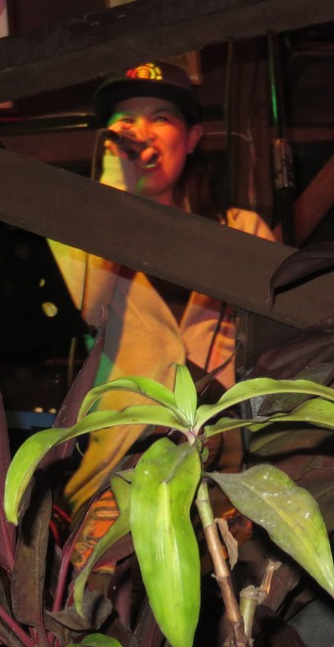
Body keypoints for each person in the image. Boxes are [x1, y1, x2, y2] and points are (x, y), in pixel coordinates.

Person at [48, 61, 276, 549]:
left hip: (225, 481)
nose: (142, 133)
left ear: (191, 138)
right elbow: (90, 308)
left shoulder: (241, 231)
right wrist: (115, 190)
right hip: (117, 480)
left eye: (161, 118)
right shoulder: (72, 235)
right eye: (126, 121)